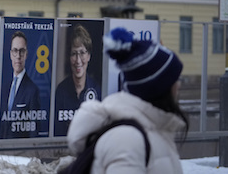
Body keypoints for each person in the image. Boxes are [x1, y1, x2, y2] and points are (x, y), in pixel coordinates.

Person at [66, 28, 187, 173]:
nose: (178, 85)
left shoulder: (153, 130)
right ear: (158, 87)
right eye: (174, 79)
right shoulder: (128, 140)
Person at [54, 24, 101, 136]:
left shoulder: (97, 90)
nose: (78, 60)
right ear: (69, 58)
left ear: (89, 56)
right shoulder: (61, 91)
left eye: (82, 53)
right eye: (74, 54)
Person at [0, 31, 41, 138]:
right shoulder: (4, 88)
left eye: (21, 51)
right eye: (15, 51)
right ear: (10, 54)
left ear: (26, 54)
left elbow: (33, 130)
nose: (18, 56)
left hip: (21, 151)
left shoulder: (32, 90)